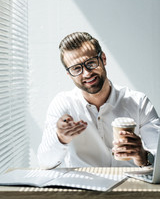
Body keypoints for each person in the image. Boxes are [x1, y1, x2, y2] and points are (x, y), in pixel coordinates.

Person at [37, 32, 160, 169]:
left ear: (103, 58)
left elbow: (158, 156)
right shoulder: (63, 104)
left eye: (90, 63)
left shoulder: (139, 103)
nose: (86, 73)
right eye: (76, 68)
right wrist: (60, 138)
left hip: (129, 186)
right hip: (82, 187)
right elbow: (45, 163)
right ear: (69, 75)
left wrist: (143, 157)